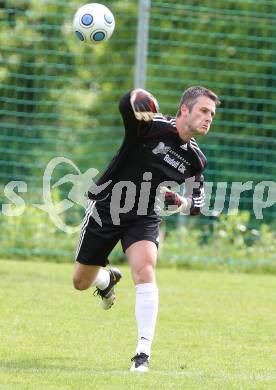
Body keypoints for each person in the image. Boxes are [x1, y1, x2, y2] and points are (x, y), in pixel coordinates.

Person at [72, 86, 220, 372]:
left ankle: (142, 354)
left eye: (212, 114)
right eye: (203, 110)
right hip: (106, 207)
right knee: (80, 281)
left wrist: (179, 201)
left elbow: (198, 206)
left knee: (145, 270)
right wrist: (134, 96)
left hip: (144, 214)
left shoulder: (196, 160)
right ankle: (105, 280)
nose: (208, 118)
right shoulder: (149, 128)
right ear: (184, 110)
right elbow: (126, 106)